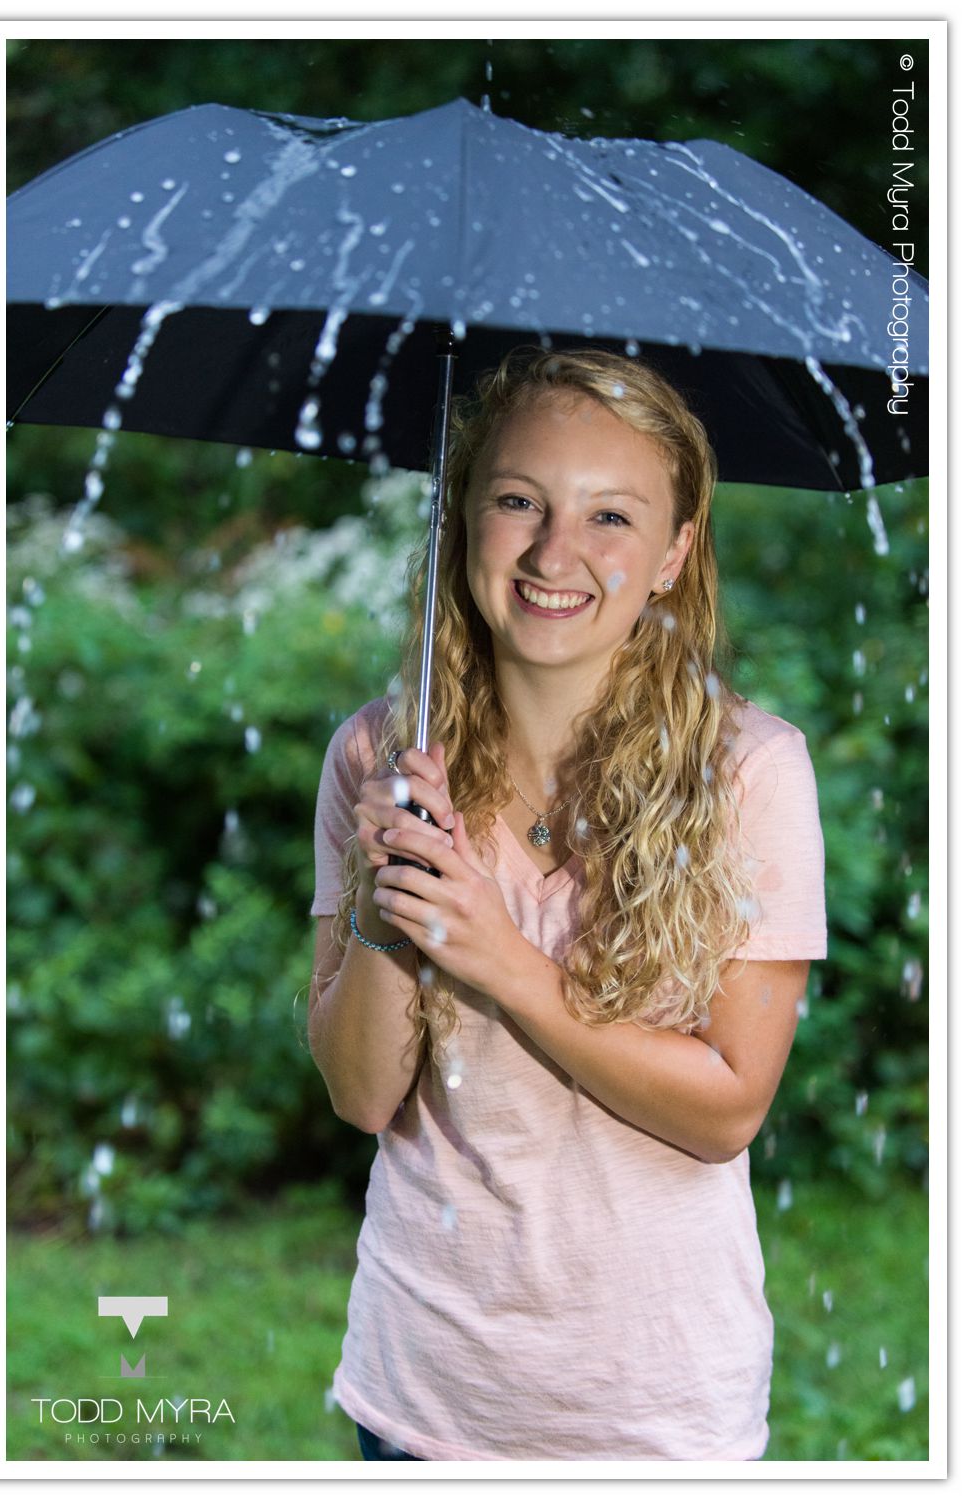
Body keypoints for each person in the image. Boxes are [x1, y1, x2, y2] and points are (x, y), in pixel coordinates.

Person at [306, 346, 826, 1462]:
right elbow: (359, 1095)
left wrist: (500, 959)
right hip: (425, 1395)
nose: (554, 553)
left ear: (675, 553)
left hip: (655, 1411)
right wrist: (385, 908)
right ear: (460, 520)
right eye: (515, 500)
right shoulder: (380, 756)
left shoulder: (749, 771)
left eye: (609, 518)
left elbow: (725, 1107)